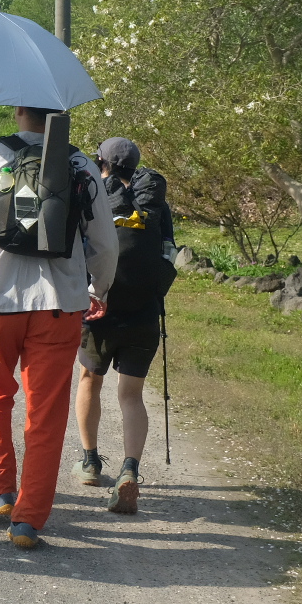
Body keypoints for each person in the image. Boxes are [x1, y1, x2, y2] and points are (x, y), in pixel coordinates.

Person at [0, 107, 118, 550]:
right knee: (45, 414)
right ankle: (28, 521)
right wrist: (98, 289)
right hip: (59, 305)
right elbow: (104, 242)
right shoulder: (81, 164)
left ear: (16, 109)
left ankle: (0, 494)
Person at [74, 136, 174, 514]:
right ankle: (129, 470)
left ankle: (90, 461)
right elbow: (168, 254)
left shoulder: (96, 195)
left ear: (101, 162)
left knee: (90, 380)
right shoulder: (155, 205)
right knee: (131, 395)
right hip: (145, 312)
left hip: (100, 307)